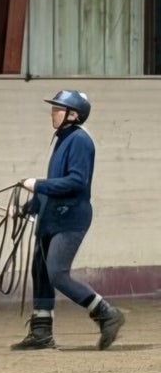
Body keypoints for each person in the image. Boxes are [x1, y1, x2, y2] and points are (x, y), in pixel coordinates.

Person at [11, 90, 125, 351]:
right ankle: (41, 333)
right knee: (40, 271)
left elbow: (75, 182)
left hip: (70, 217)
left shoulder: (80, 141)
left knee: (57, 274)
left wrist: (36, 183)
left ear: (73, 115)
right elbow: (52, 187)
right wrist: (24, 209)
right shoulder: (63, 140)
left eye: (57, 109)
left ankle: (106, 313)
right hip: (52, 215)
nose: (53, 113)